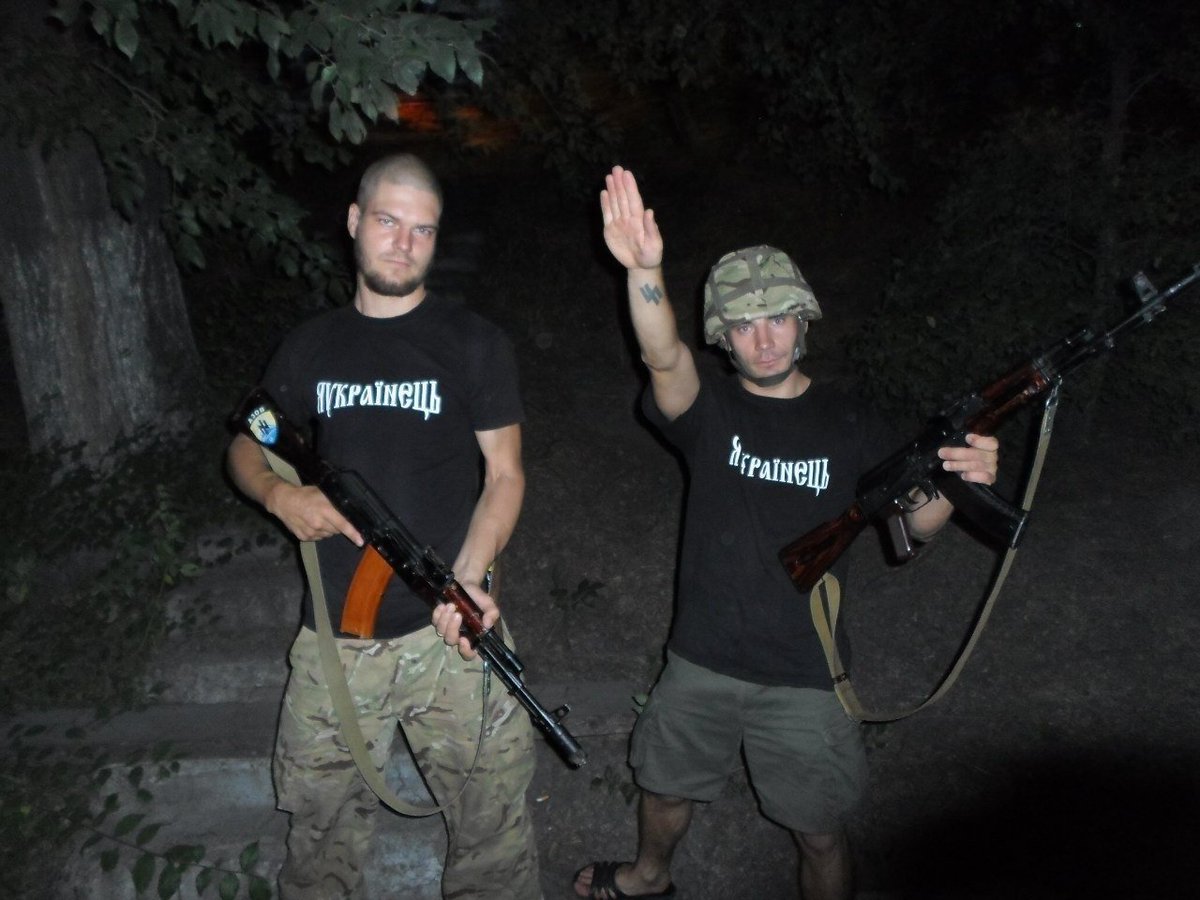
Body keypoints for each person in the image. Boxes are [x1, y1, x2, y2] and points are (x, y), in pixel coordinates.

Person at [573, 166, 1001, 900]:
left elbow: (913, 527)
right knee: (666, 789)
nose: (764, 340)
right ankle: (649, 877)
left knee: (820, 832)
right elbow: (663, 358)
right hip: (703, 656)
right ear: (723, 338)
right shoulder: (709, 412)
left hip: (806, 670)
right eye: (744, 324)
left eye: (777, 319)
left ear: (804, 321)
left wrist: (960, 485)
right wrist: (643, 272)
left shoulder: (853, 422)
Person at [226, 153, 542, 900]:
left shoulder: (474, 343)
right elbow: (246, 440)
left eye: (422, 230)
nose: (403, 243)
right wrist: (278, 495)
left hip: (448, 634)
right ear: (353, 222)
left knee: (494, 833)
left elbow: (505, 475)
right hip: (336, 638)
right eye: (388, 222)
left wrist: (468, 579)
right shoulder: (310, 345)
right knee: (319, 838)